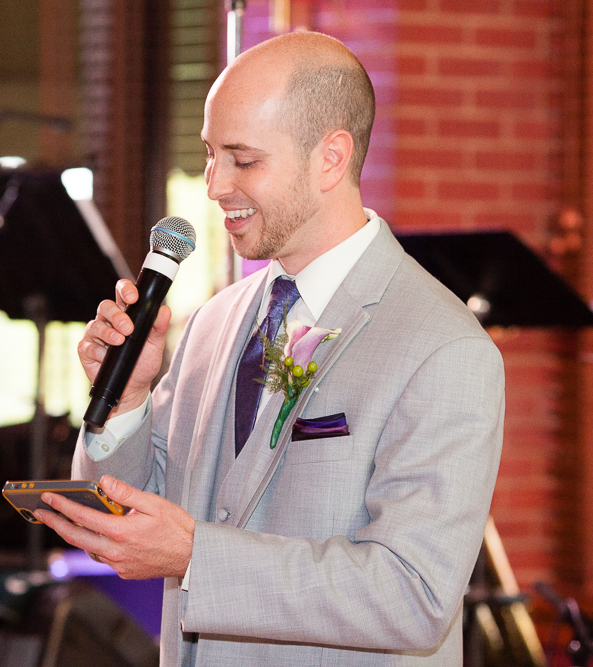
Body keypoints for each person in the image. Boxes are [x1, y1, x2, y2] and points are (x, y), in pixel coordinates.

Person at [35, 31, 504, 665]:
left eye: (243, 159)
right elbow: (139, 516)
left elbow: (413, 596)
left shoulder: (444, 348)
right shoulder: (214, 321)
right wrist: (127, 399)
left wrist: (200, 556)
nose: (213, 184)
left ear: (331, 159)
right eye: (209, 155)